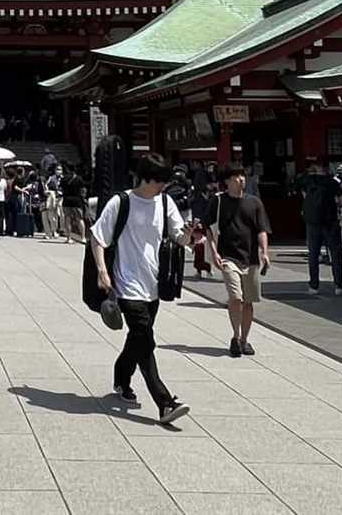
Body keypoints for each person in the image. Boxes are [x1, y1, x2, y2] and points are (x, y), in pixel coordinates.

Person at [91, 153, 193, 425]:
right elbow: (98, 237)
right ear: (146, 178)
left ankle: (121, 378)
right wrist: (102, 270)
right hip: (126, 284)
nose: (162, 187)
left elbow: (179, 238)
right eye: (159, 181)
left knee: (138, 339)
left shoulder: (164, 202)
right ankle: (165, 403)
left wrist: (188, 234)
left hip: (154, 284)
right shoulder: (121, 202)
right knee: (145, 338)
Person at [203, 165, 273, 358]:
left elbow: (262, 229)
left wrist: (264, 252)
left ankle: (244, 339)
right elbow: (208, 227)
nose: (241, 179)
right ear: (227, 181)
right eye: (235, 176)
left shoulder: (254, 202)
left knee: (249, 302)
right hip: (228, 256)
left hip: (250, 258)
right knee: (236, 297)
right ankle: (235, 336)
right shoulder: (218, 201)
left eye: (242, 176)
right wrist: (214, 252)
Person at [301, 163, 342, 295]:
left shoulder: (308, 181)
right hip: (330, 221)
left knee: (313, 255)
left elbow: (304, 195)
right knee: (335, 254)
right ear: (327, 169)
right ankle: (339, 285)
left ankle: (313, 286)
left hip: (312, 222)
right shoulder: (332, 182)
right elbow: (341, 200)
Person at [60, 163, 87, 245]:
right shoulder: (79, 179)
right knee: (80, 219)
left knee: (67, 219)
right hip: (77, 200)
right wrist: (84, 198)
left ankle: (69, 238)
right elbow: (83, 190)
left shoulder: (64, 179)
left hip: (67, 200)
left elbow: (61, 189)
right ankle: (83, 237)